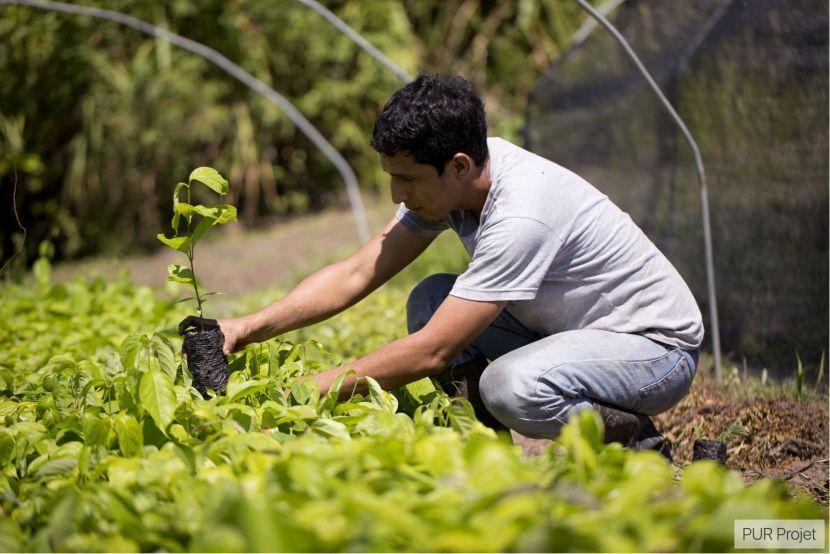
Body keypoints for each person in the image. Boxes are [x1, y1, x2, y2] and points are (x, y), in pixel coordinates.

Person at [179, 74, 703, 455]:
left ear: (457, 166)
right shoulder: (465, 176)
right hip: (572, 331)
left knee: (510, 387)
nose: (395, 195)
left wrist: (299, 394)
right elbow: (359, 272)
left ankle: (633, 439)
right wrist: (244, 329)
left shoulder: (521, 213)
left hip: (654, 349)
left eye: (406, 180)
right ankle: (488, 457)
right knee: (429, 299)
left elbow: (434, 352)